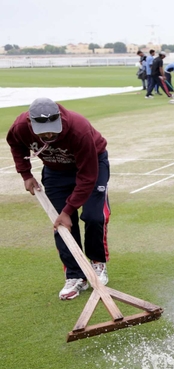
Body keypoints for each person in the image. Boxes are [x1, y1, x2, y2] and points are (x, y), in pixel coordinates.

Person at [6, 98, 111, 300]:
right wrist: (26, 174)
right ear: (31, 123)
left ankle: (97, 262)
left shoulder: (78, 128)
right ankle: (75, 276)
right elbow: (16, 144)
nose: (48, 135)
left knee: (93, 216)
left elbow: (87, 177)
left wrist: (67, 210)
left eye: (52, 129)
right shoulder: (20, 126)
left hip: (93, 164)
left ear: (60, 119)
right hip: (56, 170)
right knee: (61, 227)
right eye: (42, 131)